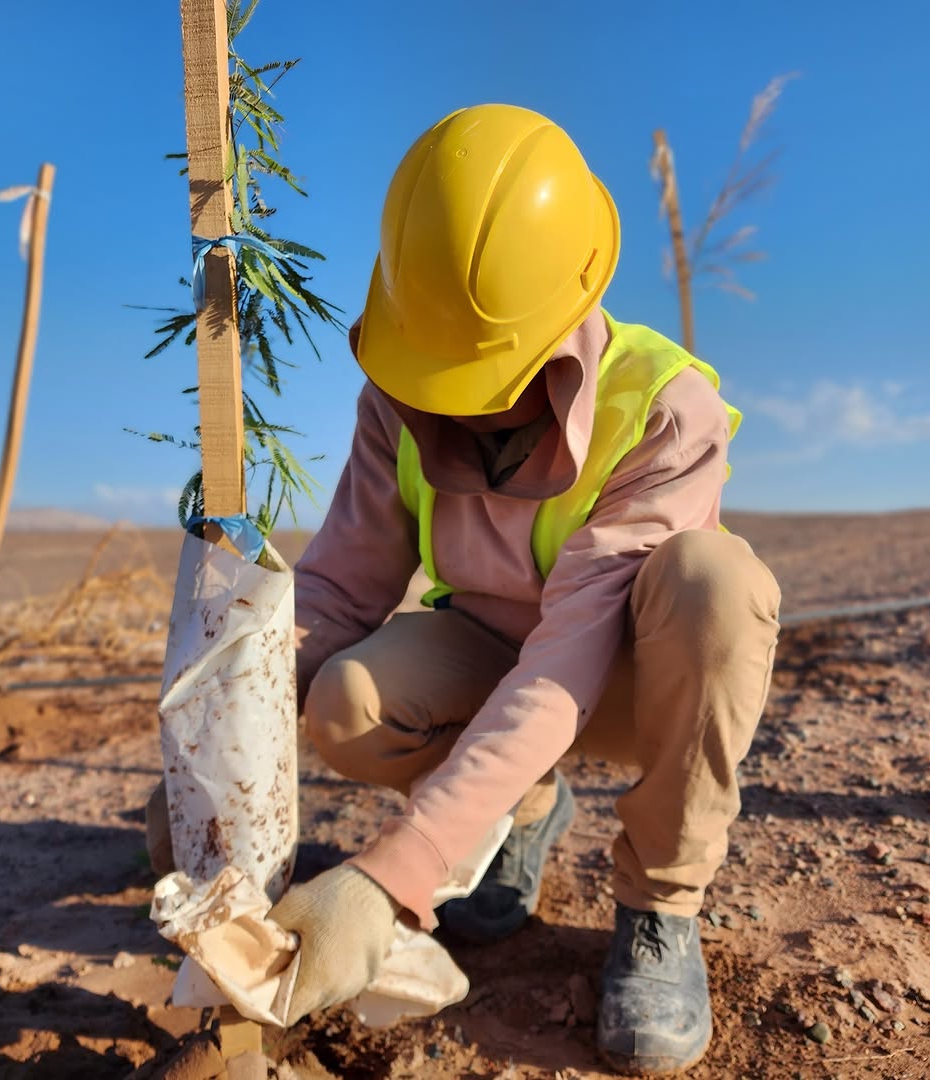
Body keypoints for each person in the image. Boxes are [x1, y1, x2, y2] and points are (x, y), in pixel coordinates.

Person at [148, 102, 781, 1077]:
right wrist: (217, 758)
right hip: (487, 650)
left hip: (632, 673)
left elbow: (568, 658)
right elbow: (339, 589)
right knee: (345, 699)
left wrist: (392, 877)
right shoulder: (397, 393)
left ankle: (661, 905)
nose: (443, 400)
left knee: (715, 585)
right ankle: (519, 809)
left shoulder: (663, 410)